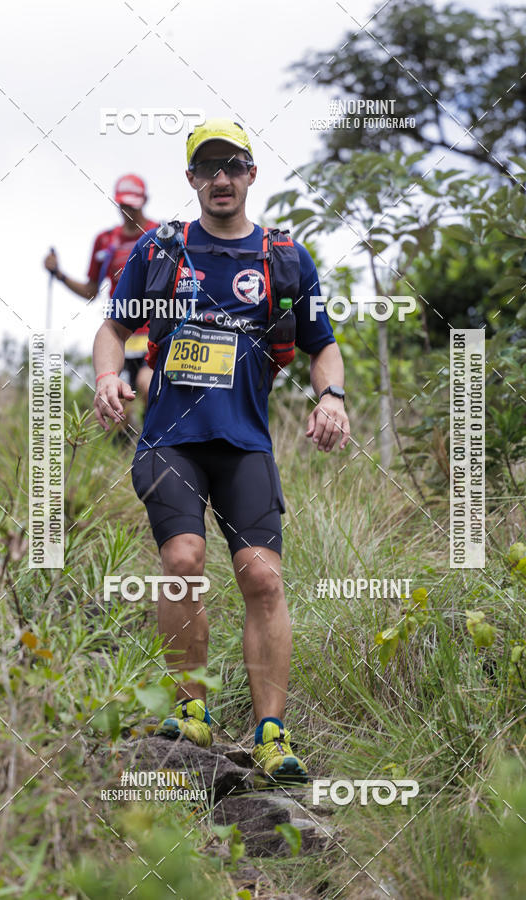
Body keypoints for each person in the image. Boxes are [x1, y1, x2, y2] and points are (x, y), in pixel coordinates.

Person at [91, 119, 351, 787]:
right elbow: (114, 328)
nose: (222, 179)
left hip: (246, 445)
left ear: (251, 175)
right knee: (183, 558)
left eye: (234, 166)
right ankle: (192, 710)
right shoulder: (160, 250)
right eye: (209, 169)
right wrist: (106, 376)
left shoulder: (284, 257)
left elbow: (322, 344)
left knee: (263, 578)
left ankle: (271, 734)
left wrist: (333, 399)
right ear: (192, 181)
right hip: (171, 438)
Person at [43, 174, 157, 405]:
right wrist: (59, 275)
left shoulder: (161, 234)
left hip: (153, 333)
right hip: (119, 333)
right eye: (124, 205)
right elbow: (91, 291)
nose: (128, 211)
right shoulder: (105, 241)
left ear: (145, 200)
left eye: (133, 205)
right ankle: (124, 440)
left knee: (148, 386)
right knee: (115, 403)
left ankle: (155, 436)